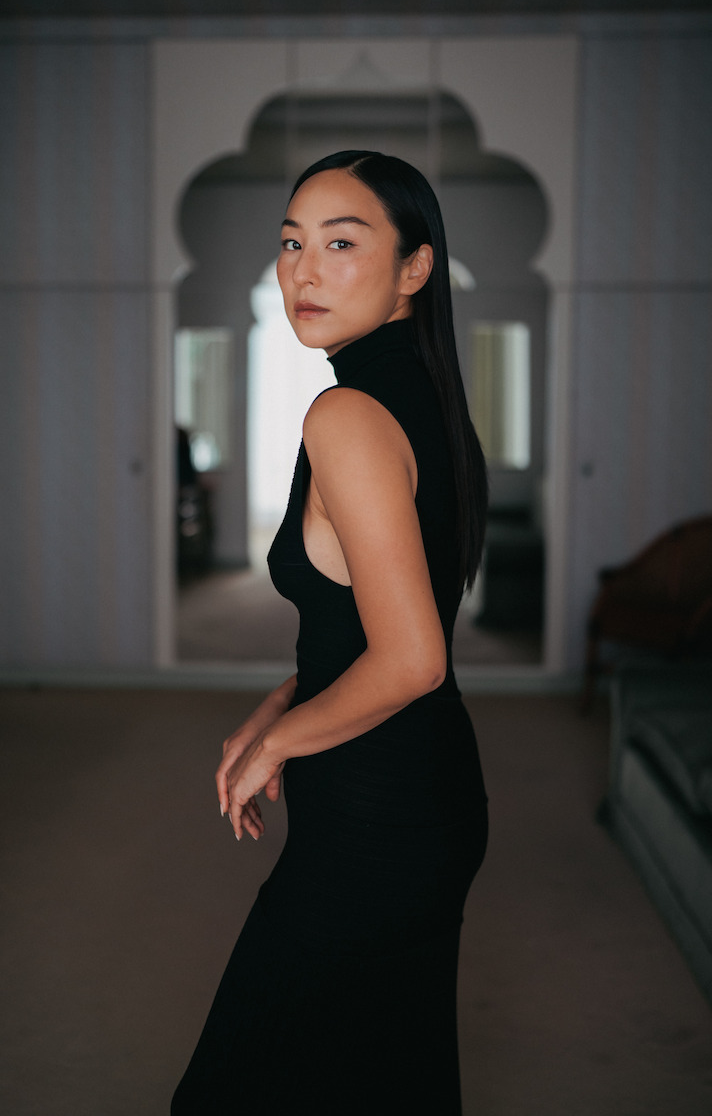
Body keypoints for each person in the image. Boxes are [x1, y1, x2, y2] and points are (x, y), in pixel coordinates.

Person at [171, 150, 488, 1114]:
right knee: (384, 1073)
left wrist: (277, 744)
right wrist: (276, 706)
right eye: (290, 243)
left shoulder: (346, 414)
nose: (303, 271)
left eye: (342, 243)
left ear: (414, 268)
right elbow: (355, 623)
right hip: (417, 794)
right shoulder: (422, 393)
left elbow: (411, 659)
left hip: (380, 814)